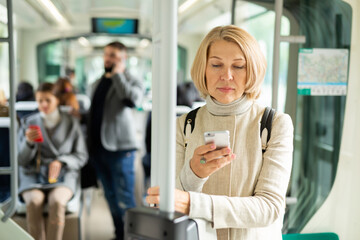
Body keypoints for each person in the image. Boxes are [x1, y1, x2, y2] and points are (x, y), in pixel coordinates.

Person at [146, 25, 293, 240]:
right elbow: (174, 202)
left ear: (252, 70)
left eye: (239, 66)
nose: (227, 75)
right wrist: (194, 173)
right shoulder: (184, 125)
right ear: (203, 69)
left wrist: (193, 203)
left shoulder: (275, 124)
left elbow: (269, 208)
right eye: (216, 65)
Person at [87, 41, 144, 240]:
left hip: (120, 149)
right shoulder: (97, 82)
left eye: (114, 55)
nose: (108, 59)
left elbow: (132, 100)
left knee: (125, 199)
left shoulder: (131, 80)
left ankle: (132, 237)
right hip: (98, 149)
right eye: (106, 55)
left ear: (123, 58)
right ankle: (119, 235)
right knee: (110, 197)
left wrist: (118, 74)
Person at [18, 82, 88, 240]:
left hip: (63, 175)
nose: (43, 104)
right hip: (33, 175)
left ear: (57, 99)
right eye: (39, 100)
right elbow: (21, 161)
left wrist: (61, 161)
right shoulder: (28, 123)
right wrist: (28, 143)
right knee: (34, 202)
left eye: (47, 100)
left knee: (57, 201)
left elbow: (81, 156)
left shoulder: (71, 123)